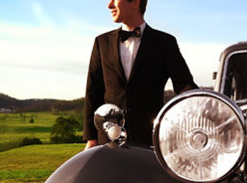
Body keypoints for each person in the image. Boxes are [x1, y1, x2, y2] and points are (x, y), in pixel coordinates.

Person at [83, 0, 198, 150]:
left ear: (136, 2)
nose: (109, 5)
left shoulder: (165, 42)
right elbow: (93, 91)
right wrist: (91, 137)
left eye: (114, 0)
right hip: (108, 137)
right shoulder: (101, 42)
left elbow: (184, 84)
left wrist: (206, 107)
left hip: (150, 139)